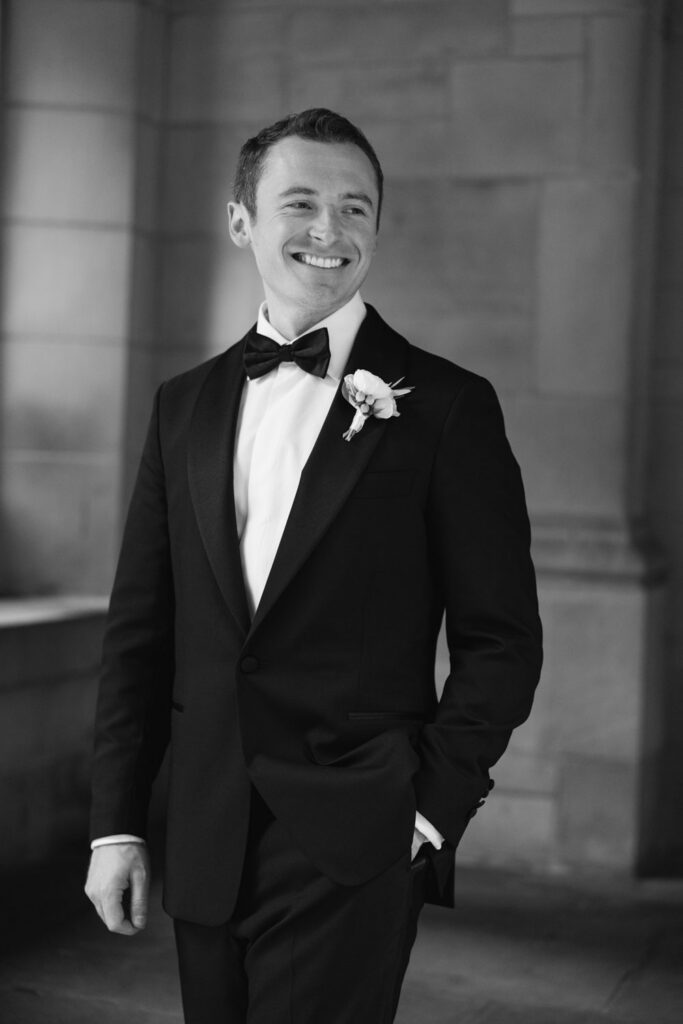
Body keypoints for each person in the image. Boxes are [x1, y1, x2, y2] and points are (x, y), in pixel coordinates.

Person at [85, 108, 543, 1024]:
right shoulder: (184, 407)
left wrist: (427, 815)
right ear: (241, 221)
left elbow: (501, 641)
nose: (328, 231)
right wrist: (117, 822)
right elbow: (142, 627)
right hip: (204, 832)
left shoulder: (449, 406)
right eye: (300, 203)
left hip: (358, 836)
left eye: (354, 208)